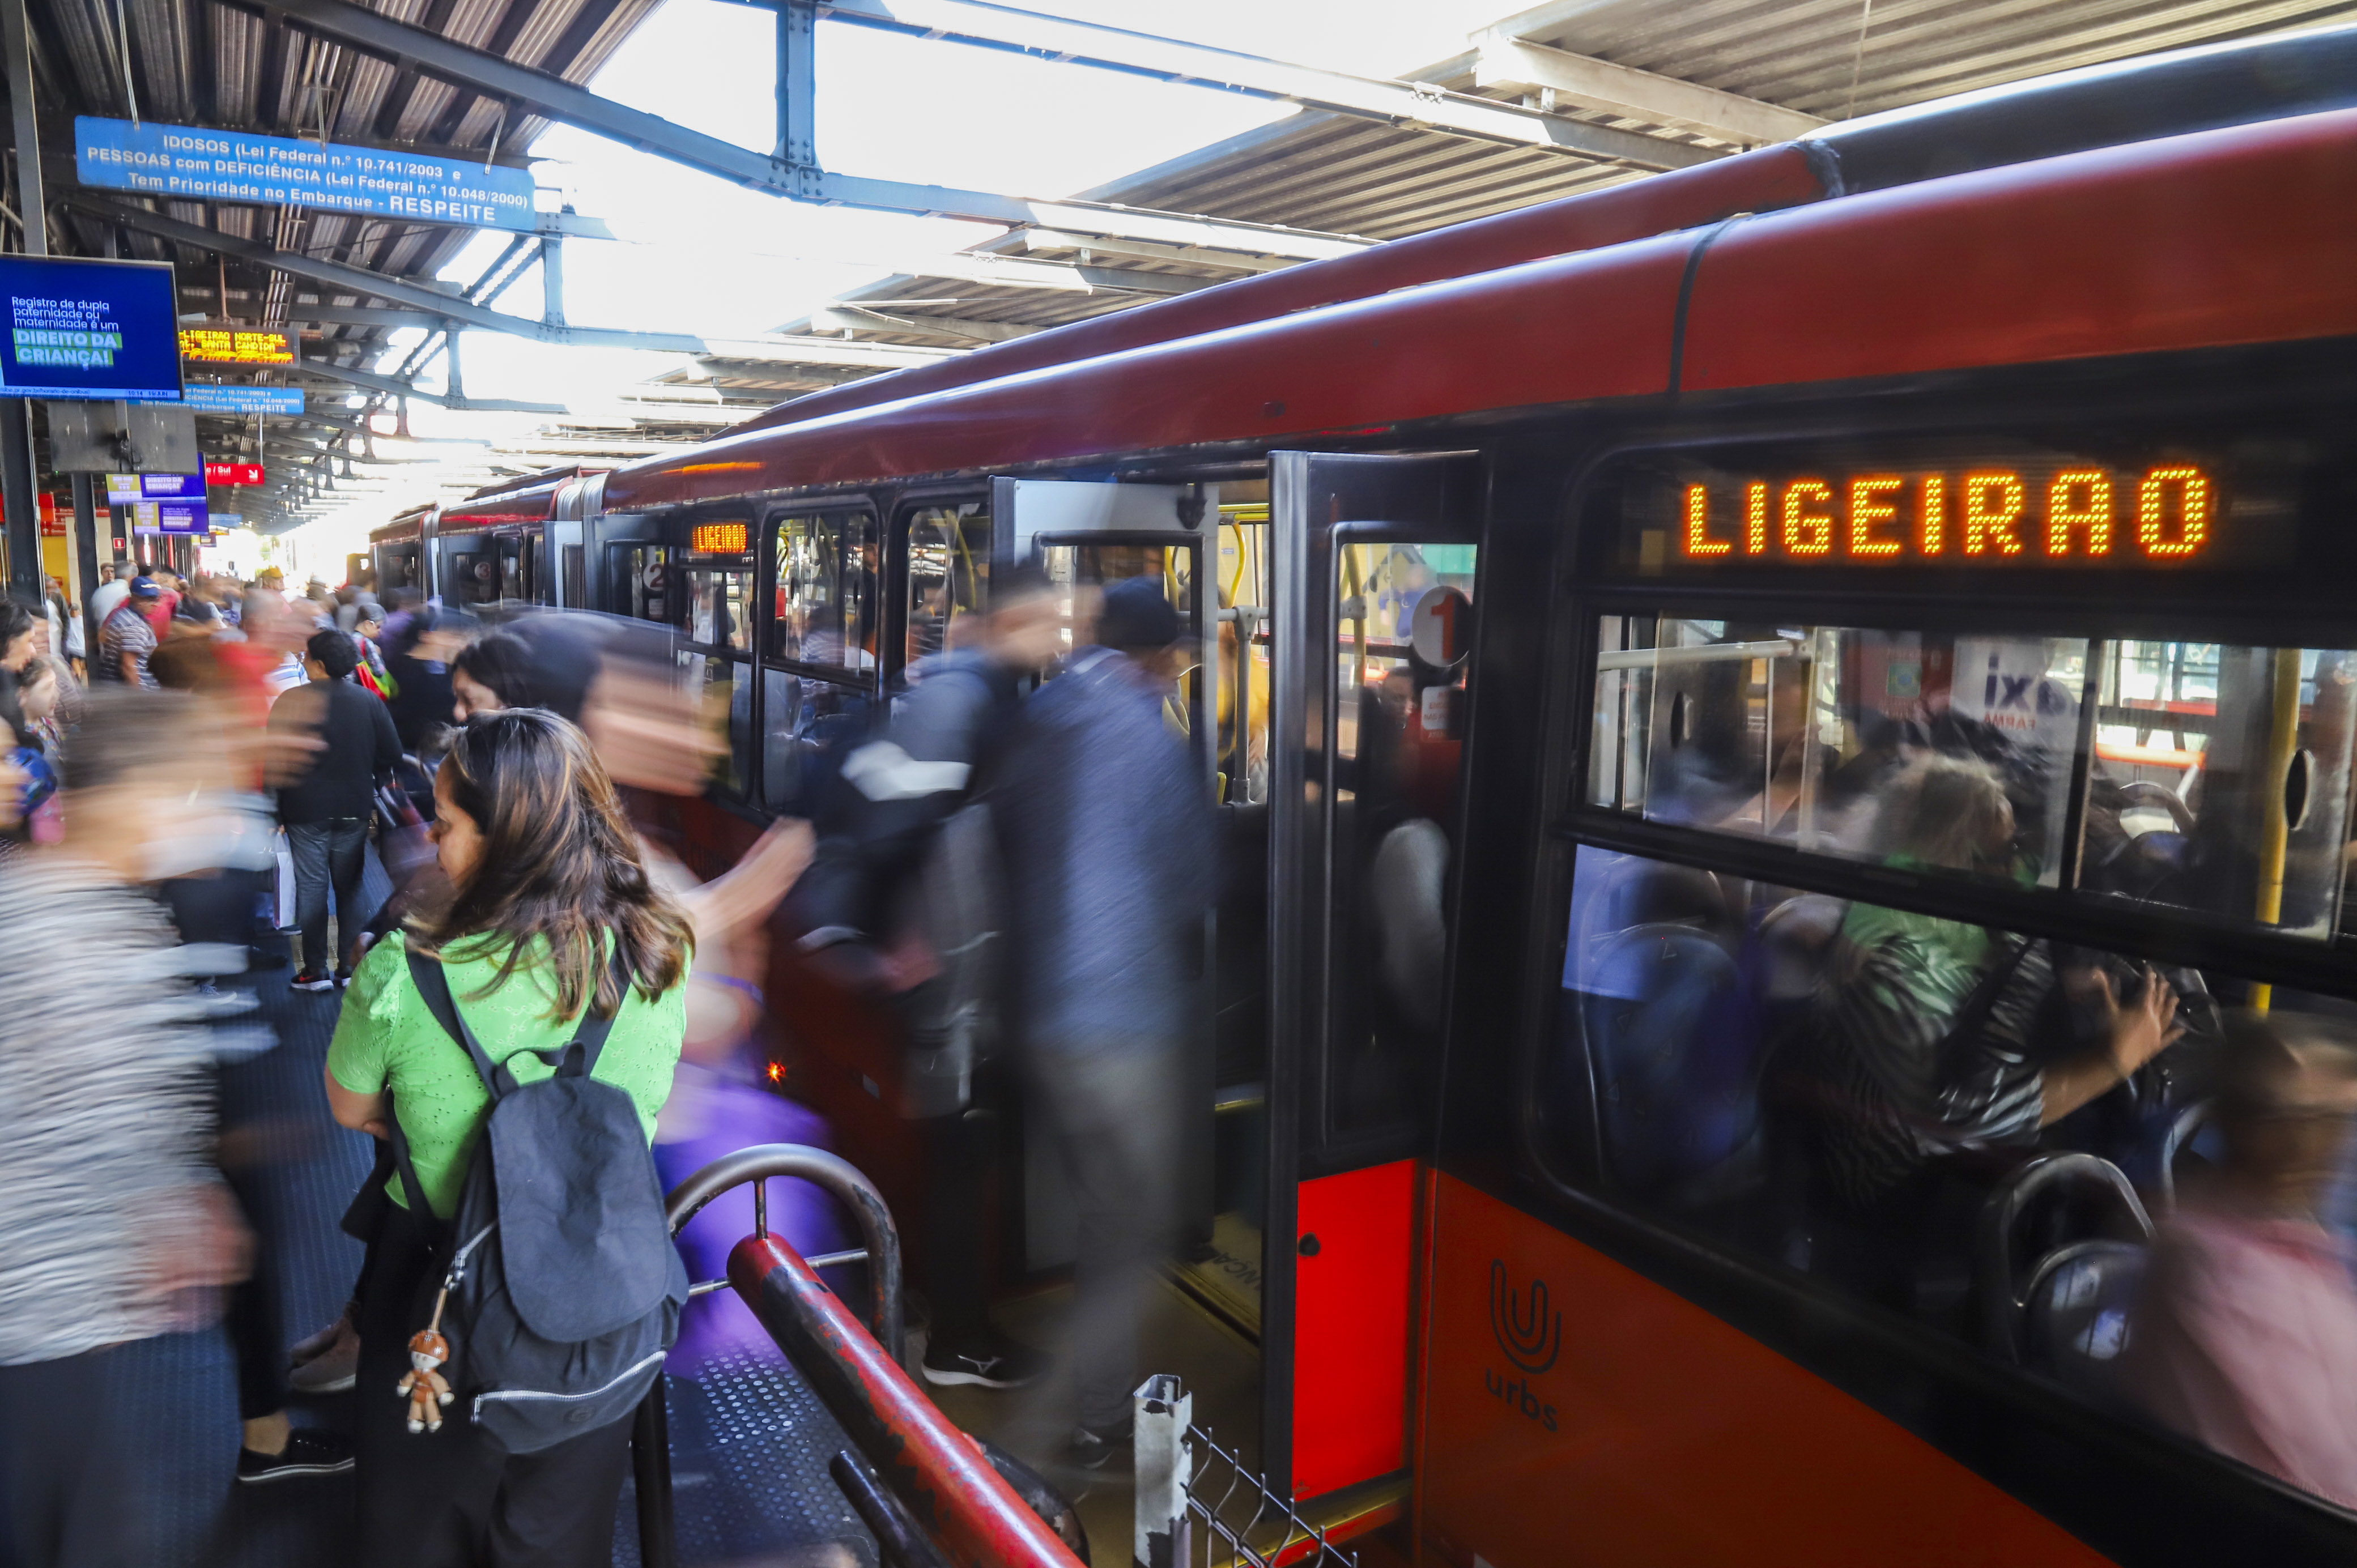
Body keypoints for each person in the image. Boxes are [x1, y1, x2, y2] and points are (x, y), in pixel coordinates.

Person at [323, 708, 692, 1568]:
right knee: (561, 1531)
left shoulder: (405, 970)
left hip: (434, 1289)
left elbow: (349, 1108)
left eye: (447, 827)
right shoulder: (656, 950)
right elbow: (645, 1107)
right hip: (598, 1291)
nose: (433, 845)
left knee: (418, 1527)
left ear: (505, 841)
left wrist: (420, 1120)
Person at [0, 688, 254, 1568]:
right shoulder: (84, 935)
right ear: (133, 797)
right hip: (38, 1315)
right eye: (191, 792)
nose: (207, 821)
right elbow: (100, 1122)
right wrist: (183, 1210)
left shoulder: (46, 897)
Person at [798, 564, 1064, 1389]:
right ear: (1012, 620)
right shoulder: (967, 701)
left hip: (951, 977)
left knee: (964, 1155)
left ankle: (958, 1323)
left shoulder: (954, 688)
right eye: (1049, 620)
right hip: (950, 988)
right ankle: (960, 1340)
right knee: (960, 1160)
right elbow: (893, 833)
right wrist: (884, 949)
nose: (1058, 636)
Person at [992, 574, 1216, 1466]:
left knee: (1100, 1210)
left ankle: (1088, 1404)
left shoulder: (1042, 715)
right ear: (1158, 656)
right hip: (1118, 1020)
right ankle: (1067, 1427)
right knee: (1134, 1228)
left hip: (1038, 1008)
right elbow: (1192, 881)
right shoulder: (1151, 740)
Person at [2125, 1011, 2357, 1506]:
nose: (2306, 1146)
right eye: (2280, 1119)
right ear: (2231, 1123)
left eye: (2331, 1120)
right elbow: (2309, 1491)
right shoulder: (2208, 1267)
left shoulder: (2305, 1244)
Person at [270, 629, 401, 991]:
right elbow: (391, 753)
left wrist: (273, 811)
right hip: (355, 807)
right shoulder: (368, 701)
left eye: (307, 657)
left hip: (303, 809)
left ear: (321, 664)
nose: (303, 661)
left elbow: (275, 760)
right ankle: (347, 966)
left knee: (312, 888)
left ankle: (314, 971)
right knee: (350, 886)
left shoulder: (290, 701)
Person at [100, 575, 163, 688]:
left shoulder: (122, 614)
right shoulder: (134, 625)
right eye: (149, 599)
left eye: (157, 599)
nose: (155, 604)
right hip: (131, 694)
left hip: (115, 690)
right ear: (134, 598)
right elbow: (128, 667)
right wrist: (139, 700)